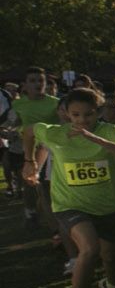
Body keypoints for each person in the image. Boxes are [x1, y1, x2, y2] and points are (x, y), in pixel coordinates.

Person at [32, 86, 115, 288]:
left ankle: (112, 286)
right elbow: (30, 132)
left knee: (110, 256)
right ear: (66, 113)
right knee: (89, 249)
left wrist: (96, 140)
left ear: (98, 112)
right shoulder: (55, 133)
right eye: (76, 115)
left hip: (108, 203)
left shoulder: (110, 130)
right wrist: (30, 163)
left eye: (88, 114)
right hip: (70, 203)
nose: (82, 120)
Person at [16, 66, 60, 229]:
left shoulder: (55, 103)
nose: (37, 84)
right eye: (32, 81)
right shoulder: (17, 104)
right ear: (25, 85)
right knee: (31, 184)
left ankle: (55, 229)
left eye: (40, 80)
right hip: (28, 149)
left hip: (51, 149)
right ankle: (31, 210)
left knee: (44, 188)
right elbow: (13, 122)